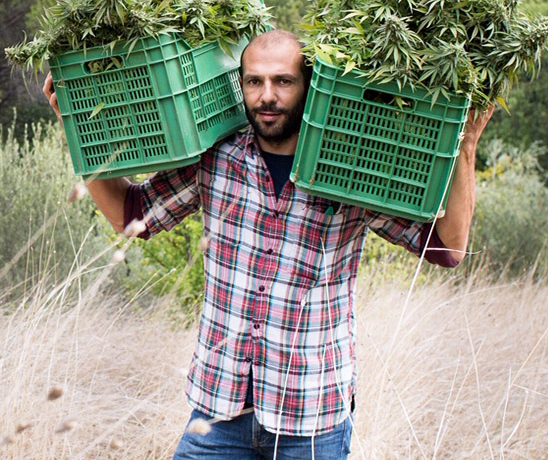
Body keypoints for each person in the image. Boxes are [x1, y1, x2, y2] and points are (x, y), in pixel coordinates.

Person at [44, 29, 493, 459]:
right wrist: (75, 124)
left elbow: (445, 249)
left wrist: (467, 145)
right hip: (219, 411)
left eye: (283, 81)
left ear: (308, 86)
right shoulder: (216, 158)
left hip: (311, 418)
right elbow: (132, 217)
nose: (267, 96)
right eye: (254, 81)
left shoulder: (343, 167)